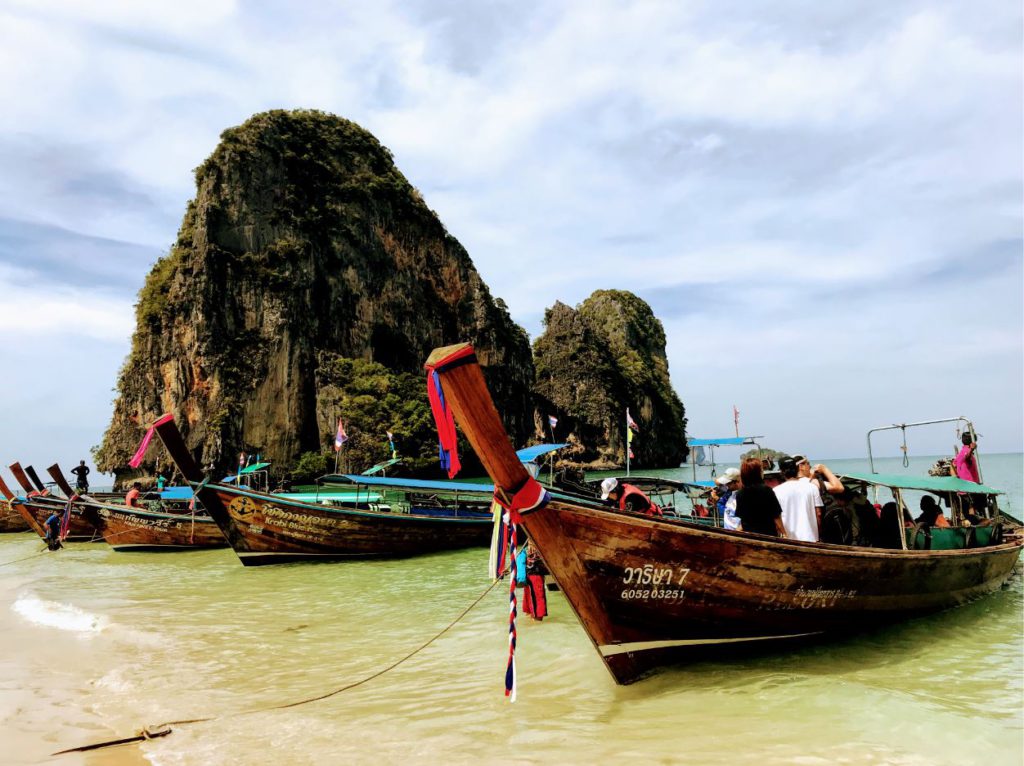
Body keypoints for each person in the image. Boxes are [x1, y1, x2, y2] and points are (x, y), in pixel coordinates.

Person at [773, 456, 824, 542]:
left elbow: (776, 518)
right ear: (797, 469)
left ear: (781, 472)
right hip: (811, 539)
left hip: (789, 541)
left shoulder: (775, 491)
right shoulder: (812, 488)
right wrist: (817, 534)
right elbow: (818, 514)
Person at [734, 458, 786, 537]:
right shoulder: (767, 490)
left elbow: (743, 519)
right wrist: (784, 533)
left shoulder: (740, 493)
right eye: (761, 470)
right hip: (768, 536)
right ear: (757, 473)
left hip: (749, 536)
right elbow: (776, 516)